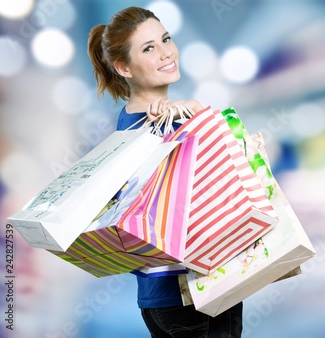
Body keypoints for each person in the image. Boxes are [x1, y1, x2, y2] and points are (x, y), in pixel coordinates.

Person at [87, 6, 243, 338]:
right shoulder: (157, 126)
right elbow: (221, 179)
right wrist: (196, 115)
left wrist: (193, 111)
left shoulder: (128, 121)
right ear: (123, 67)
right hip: (195, 291)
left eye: (165, 39)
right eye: (148, 48)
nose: (166, 52)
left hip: (157, 296)